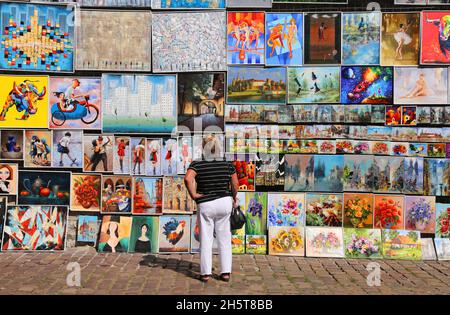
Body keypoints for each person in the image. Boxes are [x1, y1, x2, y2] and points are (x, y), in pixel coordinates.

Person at [184, 135, 239, 283]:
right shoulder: (227, 163)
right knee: (224, 238)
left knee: (206, 239)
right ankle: (225, 272)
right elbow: (235, 184)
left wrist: (194, 195)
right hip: (224, 202)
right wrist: (234, 198)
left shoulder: (198, 163)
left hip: (206, 204)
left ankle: (205, 273)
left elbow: (188, 179)